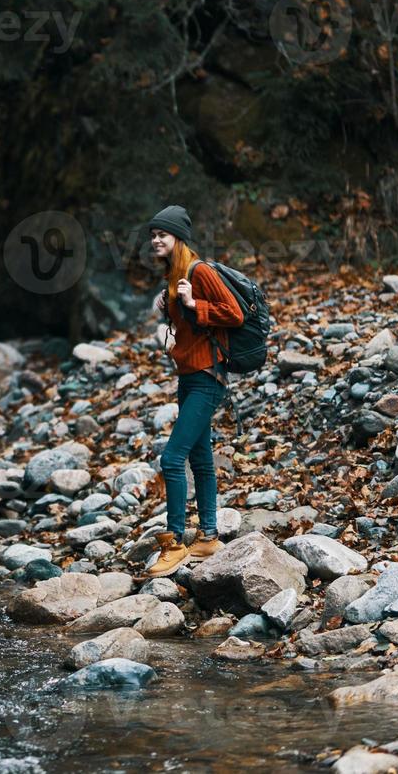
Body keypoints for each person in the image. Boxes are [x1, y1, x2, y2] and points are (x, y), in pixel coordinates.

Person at [144, 205, 245, 577]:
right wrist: (170, 305)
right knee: (201, 460)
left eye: (162, 234)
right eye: (153, 234)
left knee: (171, 460)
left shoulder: (199, 271)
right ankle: (208, 536)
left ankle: (174, 543)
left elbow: (234, 313)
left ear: (178, 238)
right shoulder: (175, 275)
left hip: (207, 378)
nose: (155, 239)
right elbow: (188, 321)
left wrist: (191, 303)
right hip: (188, 376)